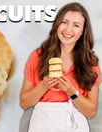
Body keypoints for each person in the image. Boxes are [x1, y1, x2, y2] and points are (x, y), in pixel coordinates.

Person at [20, 2, 101, 132]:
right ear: (57, 24)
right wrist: (44, 86)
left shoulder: (90, 63)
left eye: (76, 25)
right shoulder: (38, 56)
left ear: (82, 32)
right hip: (42, 125)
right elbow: (24, 103)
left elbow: (91, 112)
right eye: (64, 22)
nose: (68, 29)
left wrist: (72, 92)